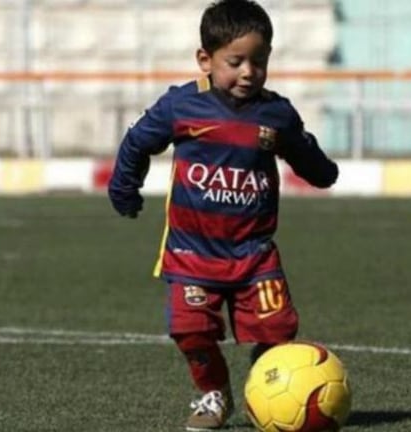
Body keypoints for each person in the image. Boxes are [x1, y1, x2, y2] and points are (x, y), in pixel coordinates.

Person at [108, 0, 338, 429]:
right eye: (236, 62)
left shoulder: (276, 114)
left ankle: (271, 385)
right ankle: (213, 394)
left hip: (254, 254)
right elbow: (138, 142)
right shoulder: (181, 106)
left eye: (260, 61)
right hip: (192, 253)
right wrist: (124, 189)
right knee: (190, 331)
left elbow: (306, 155)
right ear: (205, 60)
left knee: (278, 333)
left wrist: (322, 172)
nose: (249, 72)